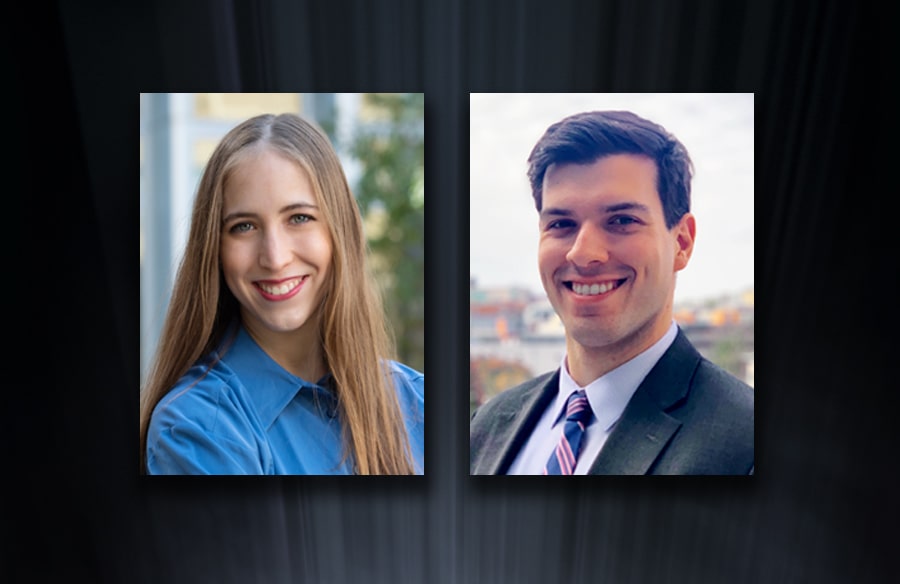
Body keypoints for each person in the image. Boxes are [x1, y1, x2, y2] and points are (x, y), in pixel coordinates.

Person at [470, 110, 753, 475]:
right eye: (561, 224)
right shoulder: (486, 428)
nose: (584, 253)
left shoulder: (744, 445)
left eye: (621, 221)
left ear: (682, 242)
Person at [139, 112, 424, 475]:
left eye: (299, 218)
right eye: (243, 226)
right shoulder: (195, 429)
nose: (274, 257)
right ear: (214, 248)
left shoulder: (418, 402)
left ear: (341, 231)